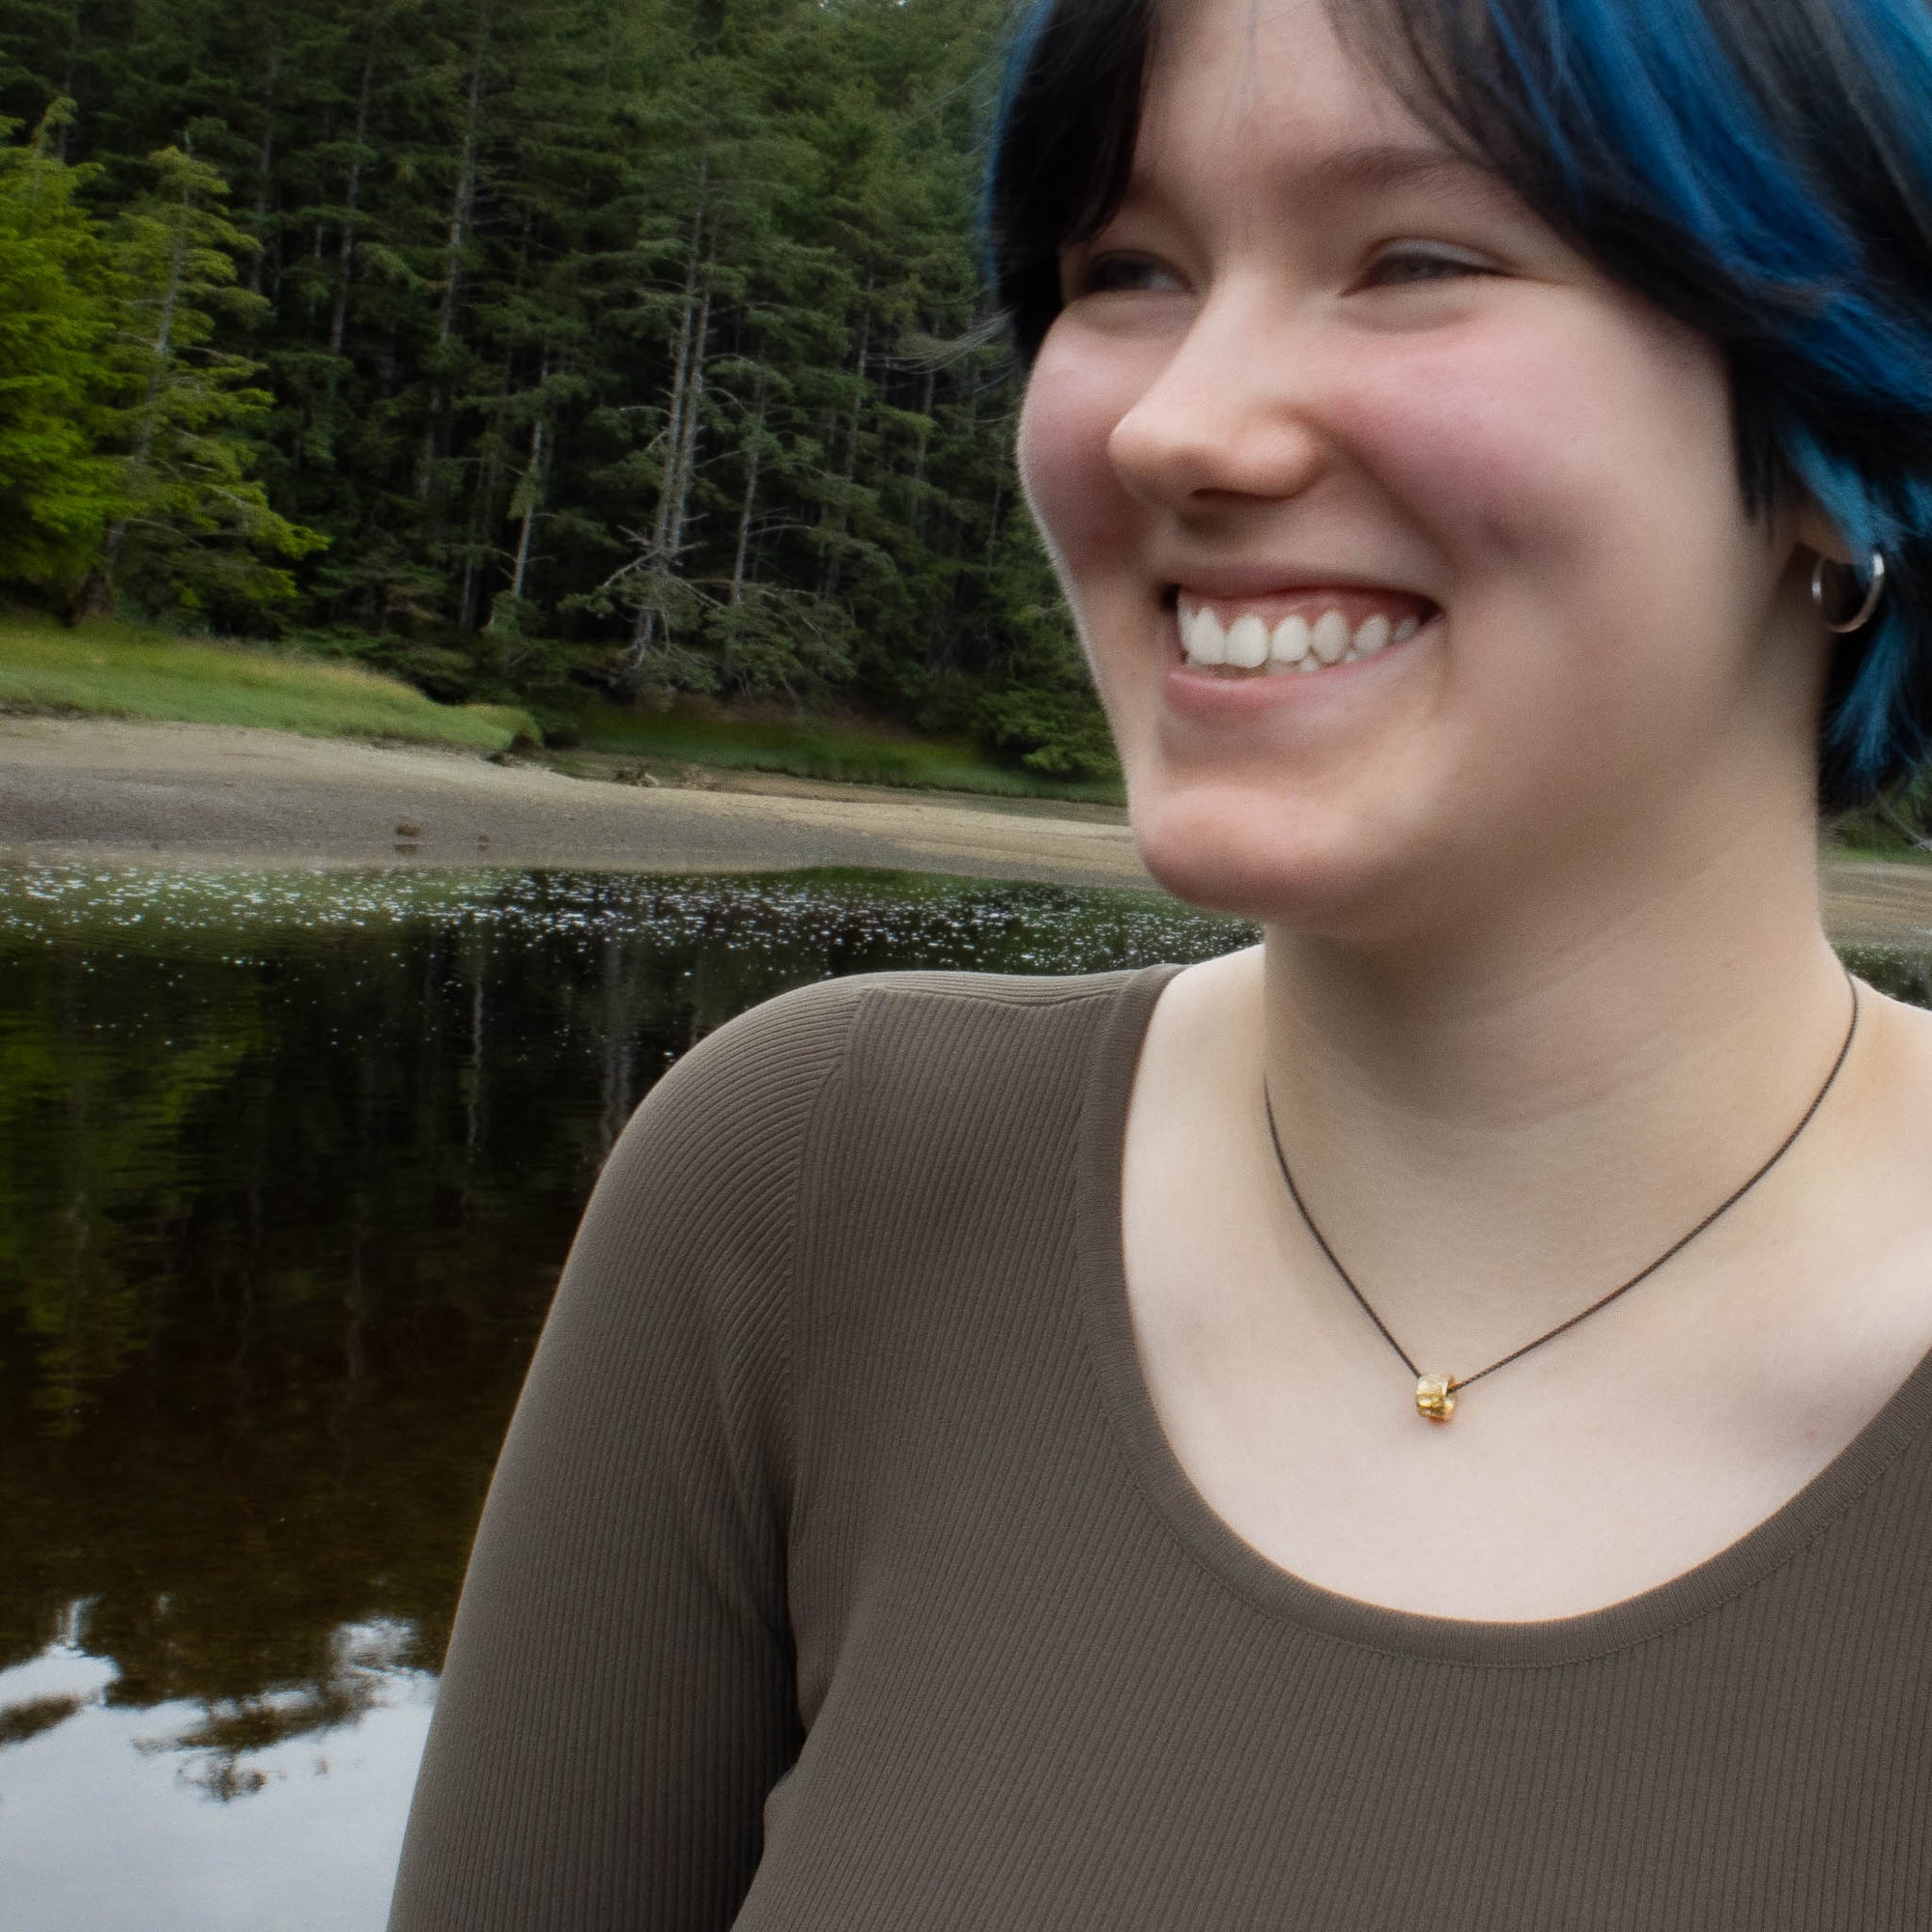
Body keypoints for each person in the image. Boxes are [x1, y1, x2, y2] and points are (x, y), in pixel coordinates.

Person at [387, 0, 1932, 1923]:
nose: (1172, 423)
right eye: (1125, 269)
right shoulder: (810, 1187)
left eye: (1415, 258)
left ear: (1838, 422)